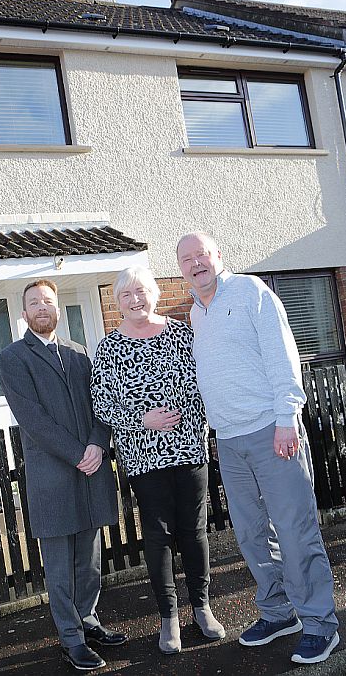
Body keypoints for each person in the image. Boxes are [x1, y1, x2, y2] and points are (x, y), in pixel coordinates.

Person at [176, 233, 340, 666]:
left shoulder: (250, 292)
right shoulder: (196, 312)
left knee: (294, 528)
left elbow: (282, 354)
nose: (196, 264)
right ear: (181, 269)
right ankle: (278, 612)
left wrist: (287, 419)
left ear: (218, 256)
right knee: (250, 533)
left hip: (272, 430)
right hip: (228, 439)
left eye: (202, 255)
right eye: (187, 260)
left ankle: (320, 624)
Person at [90, 265, 225, 655]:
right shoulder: (109, 347)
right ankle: (169, 618)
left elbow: (203, 382)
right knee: (158, 535)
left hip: (187, 449)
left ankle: (202, 607)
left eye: (142, 292)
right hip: (142, 456)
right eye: (127, 295)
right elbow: (102, 403)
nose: (136, 300)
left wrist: (186, 416)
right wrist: (142, 419)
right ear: (117, 302)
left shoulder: (182, 334)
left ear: (155, 294)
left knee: (194, 531)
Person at [0, 278, 127, 672]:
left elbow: (102, 404)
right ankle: (71, 639)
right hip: (53, 477)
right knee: (59, 565)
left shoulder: (79, 353)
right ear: (24, 314)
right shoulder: (12, 358)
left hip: (91, 471)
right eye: (34, 302)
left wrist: (97, 444)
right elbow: (34, 420)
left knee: (88, 560)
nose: (41, 307)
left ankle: (88, 622)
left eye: (48, 301)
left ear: (58, 309)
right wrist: (78, 454)